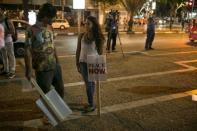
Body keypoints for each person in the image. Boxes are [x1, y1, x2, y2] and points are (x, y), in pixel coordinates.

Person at [24, 3, 64, 98]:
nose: (54, 19)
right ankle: (47, 112)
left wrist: (58, 63)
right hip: (42, 69)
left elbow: (53, 45)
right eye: (52, 17)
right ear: (45, 16)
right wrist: (28, 70)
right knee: (46, 94)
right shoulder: (32, 29)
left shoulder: (50, 27)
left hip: (54, 66)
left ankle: (58, 111)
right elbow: (27, 51)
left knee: (60, 90)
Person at [76, 16, 104, 113]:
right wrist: (77, 63)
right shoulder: (81, 36)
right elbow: (78, 50)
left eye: (88, 23)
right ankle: (91, 103)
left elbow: (100, 52)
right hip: (83, 62)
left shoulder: (98, 37)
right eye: (85, 23)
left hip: (93, 62)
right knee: (88, 84)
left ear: (93, 25)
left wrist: (100, 41)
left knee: (91, 84)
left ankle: (91, 103)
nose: (86, 25)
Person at [0, 8, 16, 79]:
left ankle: (12, 71)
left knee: (11, 55)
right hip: (1, 42)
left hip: (8, 41)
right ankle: (6, 69)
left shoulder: (7, 20)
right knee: (4, 56)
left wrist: (4, 33)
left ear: (2, 11)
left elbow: (13, 31)